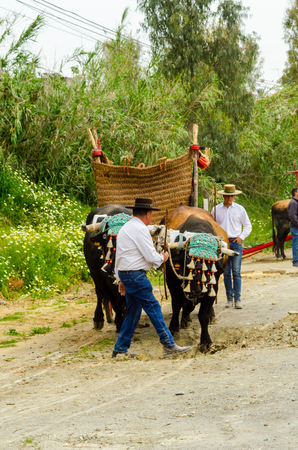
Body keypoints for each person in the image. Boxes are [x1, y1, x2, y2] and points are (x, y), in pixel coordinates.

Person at [112, 198, 192, 358]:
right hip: (135, 275)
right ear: (148, 214)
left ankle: (120, 348)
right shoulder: (141, 229)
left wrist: (120, 278)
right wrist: (163, 257)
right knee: (153, 307)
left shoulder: (125, 228)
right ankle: (168, 344)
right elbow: (150, 256)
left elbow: (118, 256)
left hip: (126, 273)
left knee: (133, 311)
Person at [211, 184, 252, 309]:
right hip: (222, 243)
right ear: (224, 196)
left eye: (232, 196)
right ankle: (229, 298)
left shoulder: (240, 209)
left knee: (236, 271)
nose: (230, 198)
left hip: (235, 242)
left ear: (234, 196)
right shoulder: (216, 209)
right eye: (227, 196)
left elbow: (248, 225)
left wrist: (241, 237)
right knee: (226, 272)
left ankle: (237, 298)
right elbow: (212, 225)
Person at [288, 187, 298, 267]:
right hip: (295, 227)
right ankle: (295, 261)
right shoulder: (294, 203)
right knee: (296, 244)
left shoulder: (295, 202)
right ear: (296, 193)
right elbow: (292, 216)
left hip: (296, 226)